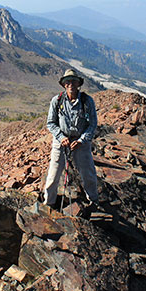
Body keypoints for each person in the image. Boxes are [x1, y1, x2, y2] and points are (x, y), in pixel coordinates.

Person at [44, 69, 98, 209]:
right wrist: (61, 137)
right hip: (61, 142)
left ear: (78, 83)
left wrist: (81, 140)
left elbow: (92, 124)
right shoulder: (57, 100)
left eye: (73, 81)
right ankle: (48, 204)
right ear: (63, 84)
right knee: (53, 175)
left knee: (88, 174)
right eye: (67, 82)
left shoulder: (87, 101)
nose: (70, 84)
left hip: (81, 142)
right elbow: (51, 123)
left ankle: (93, 201)